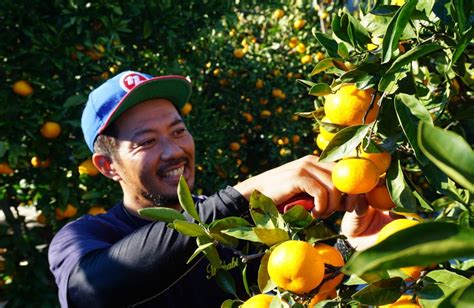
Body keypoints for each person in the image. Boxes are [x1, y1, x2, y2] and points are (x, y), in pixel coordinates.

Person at [48, 71, 390, 307]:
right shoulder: (84, 236)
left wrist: (349, 253)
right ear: (108, 166)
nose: (173, 151)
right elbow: (89, 291)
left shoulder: (240, 226)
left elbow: (291, 290)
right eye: (147, 141)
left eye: (178, 131)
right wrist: (243, 193)